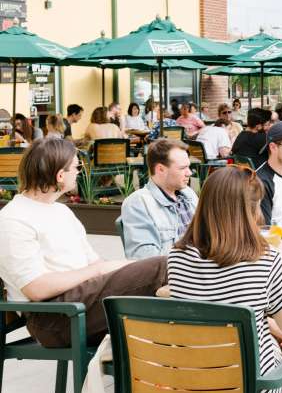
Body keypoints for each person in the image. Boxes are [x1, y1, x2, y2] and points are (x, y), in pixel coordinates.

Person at [167, 166, 282, 393]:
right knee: (281, 361)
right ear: (251, 211)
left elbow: (213, 304)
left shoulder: (176, 257)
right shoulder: (266, 258)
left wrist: (263, 320)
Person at [0, 138, 166, 348]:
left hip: (83, 302)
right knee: (164, 266)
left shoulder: (61, 211)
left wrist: (120, 268)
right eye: (77, 166)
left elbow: (94, 263)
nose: (79, 171)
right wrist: (98, 271)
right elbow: (36, 288)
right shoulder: (13, 218)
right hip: (54, 317)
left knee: (166, 291)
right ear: (60, 175)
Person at [121, 139, 198, 259]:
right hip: (173, 274)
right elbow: (144, 259)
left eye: (189, 167)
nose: (189, 173)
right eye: (183, 168)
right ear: (160, 169)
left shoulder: (189, 194)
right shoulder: (139, 203)